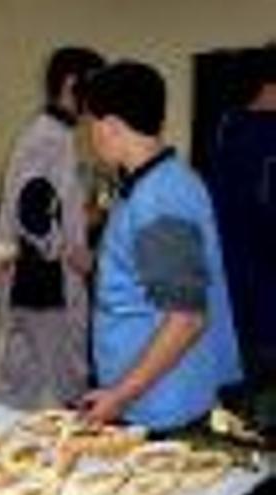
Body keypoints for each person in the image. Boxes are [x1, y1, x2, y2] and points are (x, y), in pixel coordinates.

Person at [80, 62, 243, 431]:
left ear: (111, 126)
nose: (90, 133)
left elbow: (186, 319)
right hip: (149, 397)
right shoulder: (153, 182)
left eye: (91, 122)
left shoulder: (160, 199)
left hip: (162, 406)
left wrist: (119, 395)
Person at [0, 47, 105, 409]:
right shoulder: (47, 137)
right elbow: (31, 211)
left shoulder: (55, 133)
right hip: (46, 279)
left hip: (32, 277)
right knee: (70, 379)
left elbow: (47, 203)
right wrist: (70, 251)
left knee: (19, 380)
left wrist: (79, 219)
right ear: (72, 84)